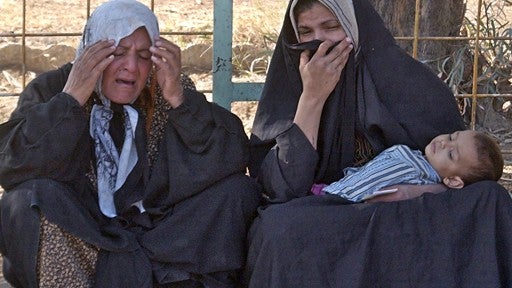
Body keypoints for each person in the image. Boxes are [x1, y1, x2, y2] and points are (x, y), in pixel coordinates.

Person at [245, 0, 512, 287]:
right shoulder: (291, 86)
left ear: (354, 26)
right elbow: (282, 189)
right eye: (306, 31)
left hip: (405, 215)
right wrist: (312, 97)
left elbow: (462, 171)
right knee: (277, 227)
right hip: (329, 213)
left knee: (491, 199)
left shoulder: (412, 85)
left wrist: (421, 190)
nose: (319, 41)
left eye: (331, 26)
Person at [0, 0, 261, 287]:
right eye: (117, 52)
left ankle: (159, 274)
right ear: (90, 50)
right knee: (26, 200)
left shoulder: (164, 85)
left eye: (143, 55)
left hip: (159, 238)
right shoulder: (55, 88)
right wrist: (71, 99)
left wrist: (178, 100)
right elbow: (12, 164)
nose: (131, 67)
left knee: (237, 190)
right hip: (86, 238)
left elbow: (231, 155)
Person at [315, 130, 504, 202]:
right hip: (334, 188)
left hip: (341, 201)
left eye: (452, 154)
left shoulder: (421, 181)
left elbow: (392, 195)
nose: (445, 143)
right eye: (452, 136)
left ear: (453, 180)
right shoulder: (415, 156)